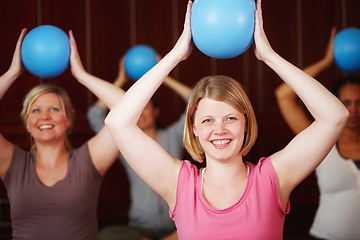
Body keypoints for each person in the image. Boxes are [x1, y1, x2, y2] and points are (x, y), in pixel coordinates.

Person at [105, 0, 349, 239]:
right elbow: (118, 122)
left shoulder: (273, 179)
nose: (219, 130)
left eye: (230, 118)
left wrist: (270, 57)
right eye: (208, 121)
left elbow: (335, 117)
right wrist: (174, 56)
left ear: (245, 124)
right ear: (194, 129)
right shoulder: (179, 185)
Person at [0, 28, 126, 240]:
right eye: (36, 111)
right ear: (27, 123)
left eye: (54, 109)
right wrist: (12, 72)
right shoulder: (13, 163)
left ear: (68, 120)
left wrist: (82, 75)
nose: (45, 117)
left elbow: (129, 109)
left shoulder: (89, 160)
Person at [87, 56, 191, 240]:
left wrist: (163, 75)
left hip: (177, 226)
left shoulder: (173, 136)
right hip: (140, 229)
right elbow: (95, 115)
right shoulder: (122, 142)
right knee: (106, 235)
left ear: (156, 112)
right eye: (137, 108)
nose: (140, 112)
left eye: (146, 107)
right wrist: (120, 80)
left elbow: (194, 101)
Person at [275, 28, 360, 239]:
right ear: (335, 104)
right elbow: (283, 95)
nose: (353, 110)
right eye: (346, 103)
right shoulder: (323, 140)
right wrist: (326, 61)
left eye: (359, 103)